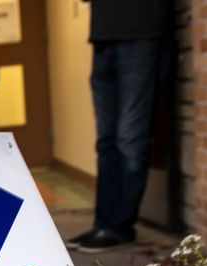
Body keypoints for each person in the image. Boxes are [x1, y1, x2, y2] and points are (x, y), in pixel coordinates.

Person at [69, 0, 173, 253]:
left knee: (129, 138)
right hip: (103, 35)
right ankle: (103, 223)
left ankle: (121, 227)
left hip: (141, 32)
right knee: (106, 141)